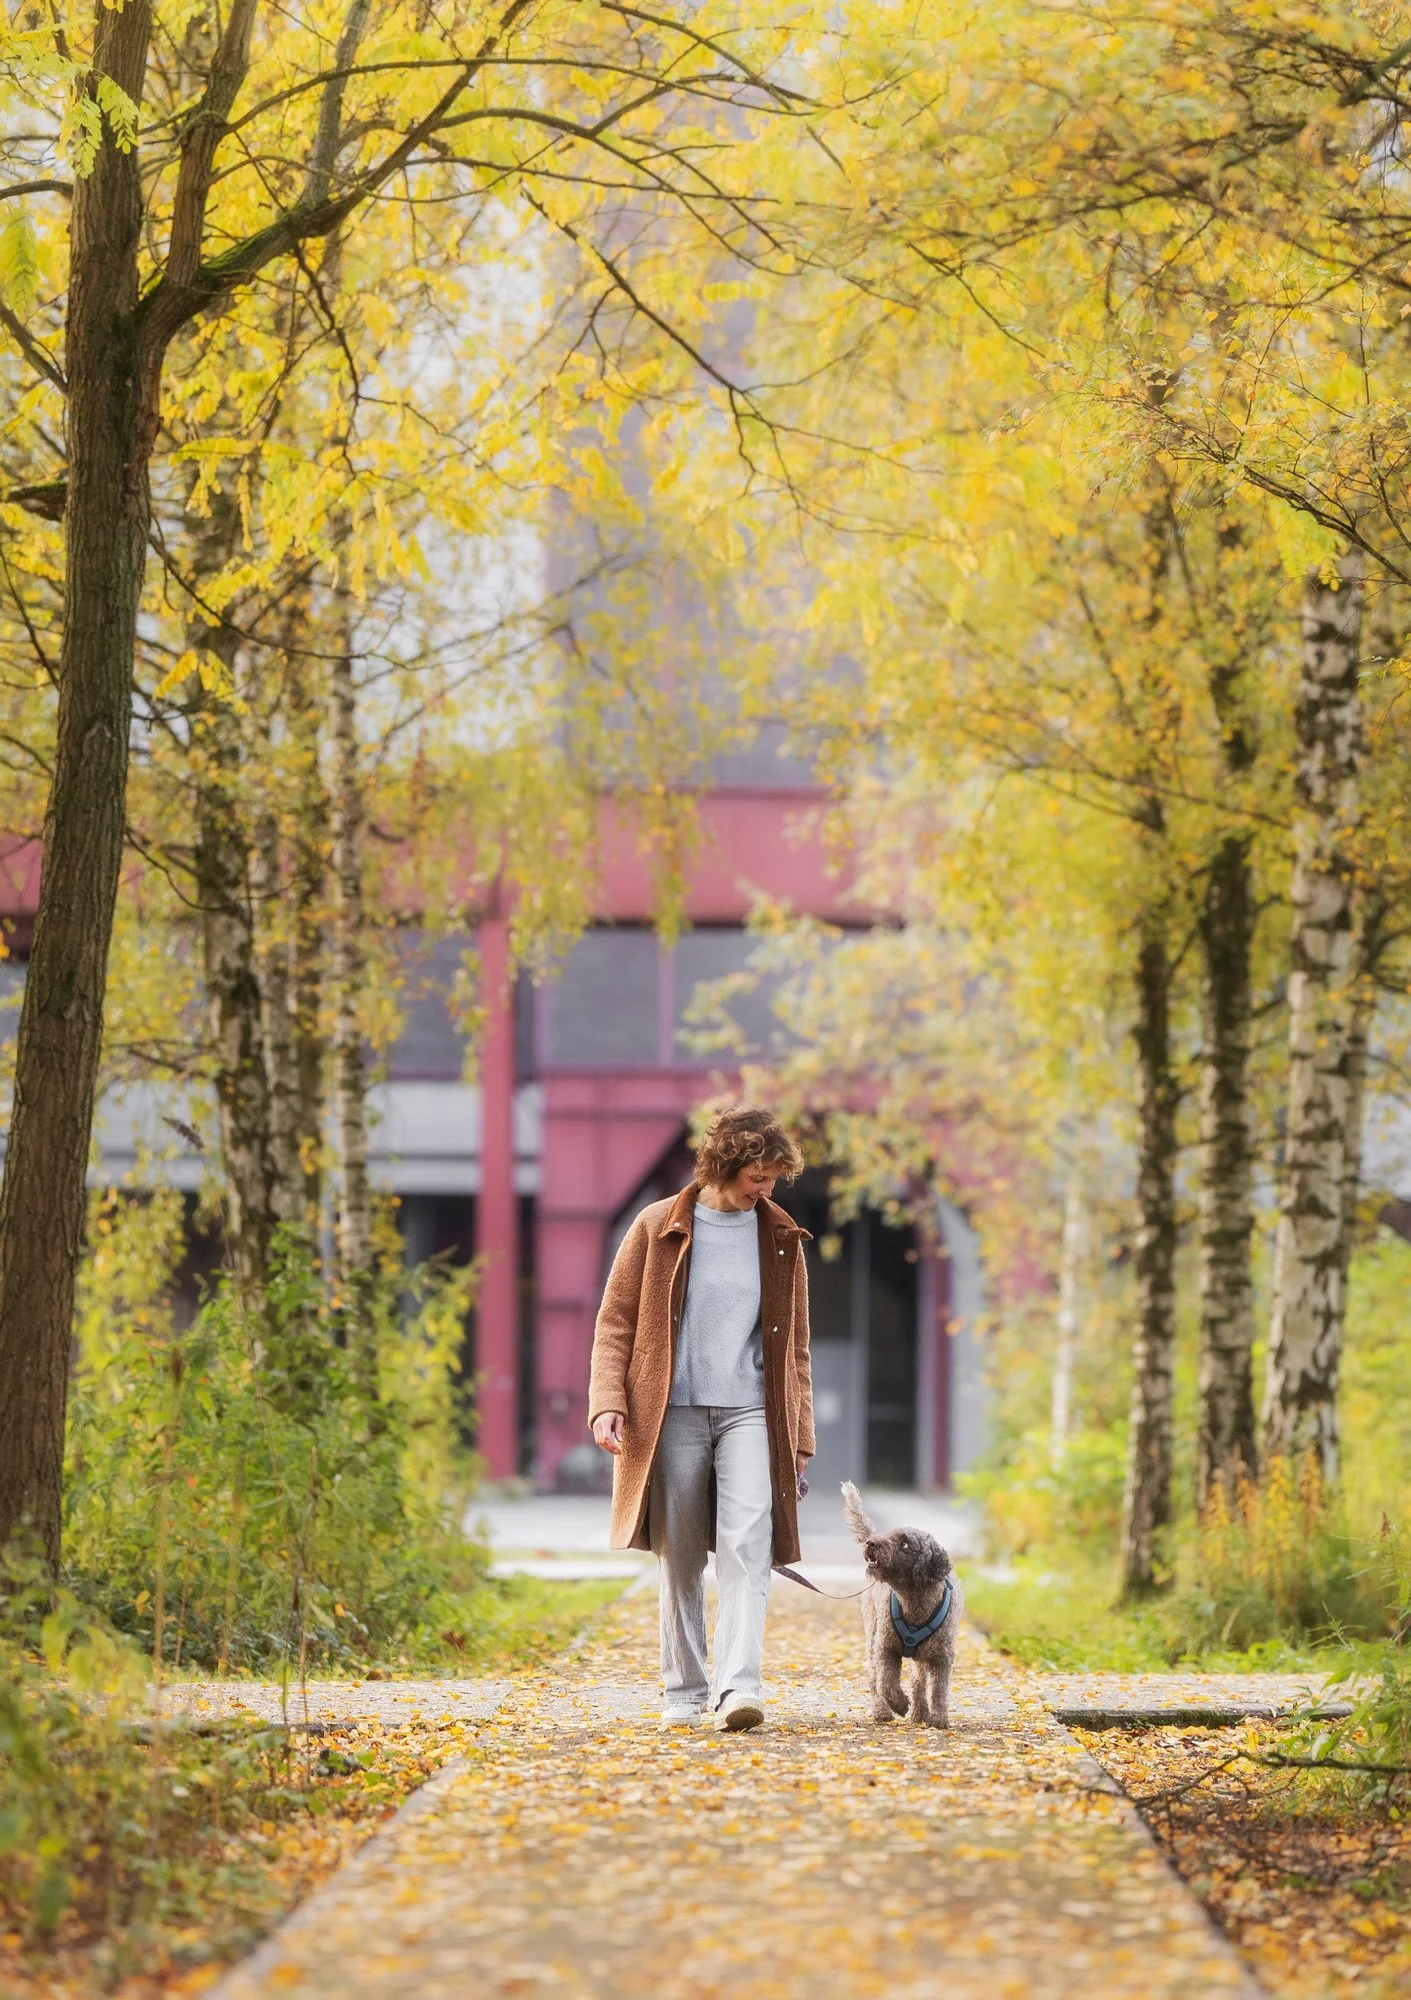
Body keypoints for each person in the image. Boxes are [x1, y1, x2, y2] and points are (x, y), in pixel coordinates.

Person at [588, 1106, 815, 1731]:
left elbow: (795, 1348)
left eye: (773, 1180)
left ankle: (739, 1688)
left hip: (751, 1411)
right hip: (671, 1412)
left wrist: (799, 1436)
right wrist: (608, 1400)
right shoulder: (657, 1225)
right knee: (681, 1554)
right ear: (725, 1164)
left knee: (749, 1545)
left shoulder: (781, 1237)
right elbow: (616, 1323)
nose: (765, 1191)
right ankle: (685, 1693)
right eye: (757, 1178)